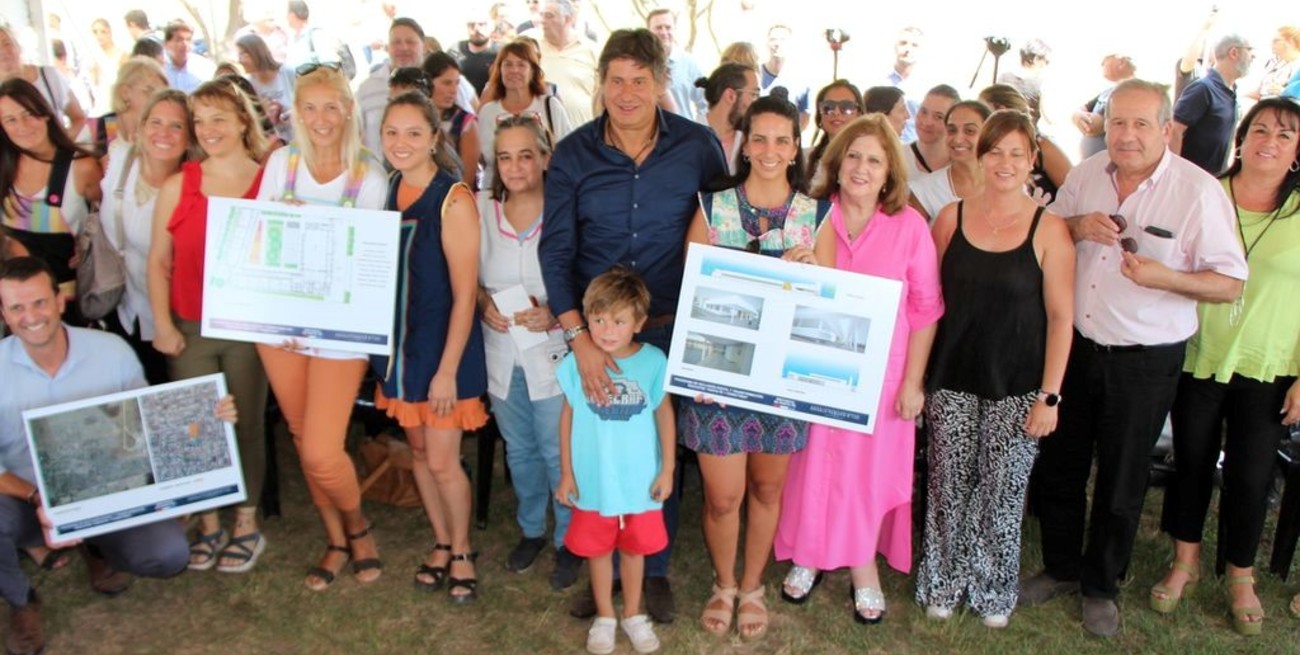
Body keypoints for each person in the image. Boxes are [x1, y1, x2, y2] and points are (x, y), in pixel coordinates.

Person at [1020, 79, 1248, 638]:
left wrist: (1166, 277)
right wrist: (1075, 226)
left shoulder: (1197, 191)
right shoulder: (1085, 175)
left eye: (1141, 124)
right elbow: (1049, 234)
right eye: (1117, 122)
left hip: (1144, 360)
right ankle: (1062, 567)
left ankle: (1101, 585)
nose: (1126, 135)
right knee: (1062, 464)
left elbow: (1229, 283)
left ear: (1166, 129)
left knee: (1122, 479)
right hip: (1075, 347)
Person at [539, 28, 728, 624]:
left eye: (639, 81)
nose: (626, 93)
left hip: (671, 327)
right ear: (600, 83)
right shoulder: (572, 154)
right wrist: (579, 340)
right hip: (596, 334)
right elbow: (555, 251)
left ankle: (654, 567)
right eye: (616, 81)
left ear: (661, 82)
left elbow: (725, 228)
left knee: (653, 448)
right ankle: (603, 563)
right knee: (599, 445)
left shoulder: (698, 147)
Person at [0, 256, 228, 655]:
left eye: (39, 303)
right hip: (29, 500)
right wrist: (37, 499)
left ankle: (97, 546)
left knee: (168, 556)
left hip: (108, 490)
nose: (31, 317)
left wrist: (209, 416)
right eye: (17, 307)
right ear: (3, 314)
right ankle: (20, 600)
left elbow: (150, 422)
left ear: (60, 301)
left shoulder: (111, 351)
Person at [775, 113, 943, 625]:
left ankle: (863, 566)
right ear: (837, 161)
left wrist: (913, 382)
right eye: (853, 156)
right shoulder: (809, 218)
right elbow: (781, 297)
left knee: (865, 476)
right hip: (812, 370)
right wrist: (792, 271)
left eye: (874, 160)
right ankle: (808, 552)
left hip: (882, 379)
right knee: (811, 466)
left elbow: (926, 310)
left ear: (890, 172)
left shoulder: (909, 228)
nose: (861, 168)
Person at [915, 109, 1075, 628]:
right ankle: (942, 582)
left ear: (1032, 160)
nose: (1005, 162)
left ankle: (992, 591)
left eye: (1016, 153)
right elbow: (927, 301)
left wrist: (1050, 395)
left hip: (1019, 387)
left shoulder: (1050, 230)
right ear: (981, 157)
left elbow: (1061, 318)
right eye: (995, 151)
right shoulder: (949, 219)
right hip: (952, 378)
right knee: (947, 487)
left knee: (1002, 494)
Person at [1151, 97, 1300, 636]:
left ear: (1298, 151)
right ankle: (1185, 561)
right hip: (1199, 353)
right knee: (1191, 461)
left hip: (1268, 364)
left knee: (1251, 474)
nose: (1269, 142)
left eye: (1285, 135)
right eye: (1260, 129)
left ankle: (1241, 575)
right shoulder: (1205, 193)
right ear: (1241, 137)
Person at [684, 95, 828, 639]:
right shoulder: (712, 209)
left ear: (795, 149)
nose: (769, 150)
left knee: (767, 490)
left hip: (782, 381)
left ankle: (752, 586)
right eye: (759, 138)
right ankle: (723, 583)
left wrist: (812, 274)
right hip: (719, 376)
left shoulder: (815, 216)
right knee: (723, 496)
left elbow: (829, 310)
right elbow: (691, 289)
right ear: (745, 146)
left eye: (781, 140)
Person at [255, 65, 388, 590]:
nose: (321, 118)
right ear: (295, 113)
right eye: (309, 107)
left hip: (339, 332)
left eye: (331, 106)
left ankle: (358, 526)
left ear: (349, 110)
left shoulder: (368, 176)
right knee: (299, 432)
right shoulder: (280, 163)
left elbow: (366, 266)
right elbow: (261, 243)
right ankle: (335, 538)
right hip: (281, 328)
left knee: (319, 449)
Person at [146, 80, 271, 574]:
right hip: (190, 326)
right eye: (199, 121)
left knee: (246, 423)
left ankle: (246, 521)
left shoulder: (269, 181)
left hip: (247, 326)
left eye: (219, 118)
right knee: (196, 426)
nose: (208, 129)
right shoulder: (181, 183)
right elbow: (159, 261)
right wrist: (162, 323)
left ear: (243, 121)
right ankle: (208, 520)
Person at [371, 90, 487, 602]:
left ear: (434, 137)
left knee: (442, 460)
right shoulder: (388, 187)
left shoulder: (452, 198)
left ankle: (462, 551)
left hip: (444, 351)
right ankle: (440, 541)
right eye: (392, 132)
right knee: (418, 452)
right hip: (401, 350)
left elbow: (465, 296)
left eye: (414, 133)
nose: (402, 142)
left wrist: (447, 371)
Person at [478, 114, 580, 589]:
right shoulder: (482, 212)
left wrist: (557, 312)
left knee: (558, 450)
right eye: (505, 157)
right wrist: (483, 304)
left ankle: (568, 539)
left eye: (525, 155)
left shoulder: (565, 212)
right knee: (519, 449)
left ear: (544, 158)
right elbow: (468, 277)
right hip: (501, 351)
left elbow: (585, 278)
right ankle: (532, 529)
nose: (515, 167)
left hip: (552, 350)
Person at [555, 266, 675, 655]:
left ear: (638, 323)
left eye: (619, 321)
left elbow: (664, 414)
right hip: (594, 480)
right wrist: (567, 473)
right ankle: (605, 615)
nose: (607, 330)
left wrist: (668, 468)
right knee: (598, 549)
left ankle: (633, 613)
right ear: (586, 318)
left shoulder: (653, 361)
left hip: (640, 481)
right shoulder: (576, 363)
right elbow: (568, 416)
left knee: (635, 549)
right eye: (599, 320)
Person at [98, 88, 190, 386]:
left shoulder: (193, 186)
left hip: (169, 318)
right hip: (118, 304)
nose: (163, 133)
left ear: (190, 136)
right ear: (142, 126)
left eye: (176, 126)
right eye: (156, 122)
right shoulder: (119, 158)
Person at [0, 79, 102, 319]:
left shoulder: (81, 167)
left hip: (66, 303)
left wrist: (90, 245)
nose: (22, 126)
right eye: (10, 120)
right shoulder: (4, 168)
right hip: (15, 305)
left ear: (45, 113)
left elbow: (109, 216)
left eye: (29, 114)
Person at [476, 40, 573, 188]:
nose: (514, 70)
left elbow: (568, 151)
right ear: (499, 70)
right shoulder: (488, 112)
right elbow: (484, 158)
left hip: (544, 192)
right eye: (508, 64)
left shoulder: (550, 106)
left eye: (521, 65)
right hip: (496, 193)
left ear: (533, 71)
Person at [1173, 33, 1254, 174]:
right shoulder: (1204, 89)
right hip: (1191, 178)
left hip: (1214, 178)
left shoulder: (1231, 91)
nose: (1252, 57)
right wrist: (1173, 173)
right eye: (1249, 50)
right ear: (1234, 52)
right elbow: (1175, 129)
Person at [979, 84, 1072, 205]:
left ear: (1002, 110)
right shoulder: (986, 150)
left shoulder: (1042, 146)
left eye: (983, 112)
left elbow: (1076, 192)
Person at [908, 100, 991, 222]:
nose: (958, 139)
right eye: (952, 130)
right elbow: (909, 233)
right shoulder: (924, 191)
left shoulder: (1006, 183)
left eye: (969, 131)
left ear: (989, 135)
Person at [0, 24, 87, 138]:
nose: (3, 51)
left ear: (18, 47)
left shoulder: (48, 76)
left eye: (7, 43)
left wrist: (62, 144)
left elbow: (78, 117)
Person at [358, 18, 429, 156]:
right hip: (378, 168)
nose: (403, 48)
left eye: (410, 42)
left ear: (424, 46)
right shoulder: (367, 89)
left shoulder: (443, 82)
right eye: (396, 42)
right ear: (388, 47)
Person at [525, 0, 598, 126]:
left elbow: (603, 95)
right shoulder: (529, 44)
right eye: (542, 15)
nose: (543, 20)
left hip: (581, 131)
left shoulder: (591, 50)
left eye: (549, 16)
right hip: (538, 133)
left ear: (568, 19)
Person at [422, 53, 480, 190]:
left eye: (457, 83)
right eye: (447, 83)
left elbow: (467, 181)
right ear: (428, 83)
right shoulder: (415, 118)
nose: (454, 90)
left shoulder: (465, 123)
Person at [89, 56, 167, 156]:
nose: (157, 99)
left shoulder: (160, 132)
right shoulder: (98, 127)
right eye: (150, 91)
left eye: (162, 94)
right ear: (124, 92)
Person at [696, 63, 760, 175]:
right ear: (730, 96)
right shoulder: (687, 138)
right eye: (754, 95)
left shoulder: (749, 142)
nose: (757, 103)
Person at [1073, 53, 1136, 161]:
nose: (1102, 64)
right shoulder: (1107, 92)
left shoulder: (1133, 93)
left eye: (1106, 60)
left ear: (1121, 62)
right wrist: (1077, 116)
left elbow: (1092, 126)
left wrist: (1079, 118)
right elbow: (1081, 109)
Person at [236, 33, 297, 143]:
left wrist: (290, 114)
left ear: (256, 53)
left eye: (243, 55)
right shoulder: (247, 84)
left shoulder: (288, 73)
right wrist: (263, 113)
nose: (240, 61)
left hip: (299, 138)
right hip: (273, 144)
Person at [647, 9, 705, 122]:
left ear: (675, 30)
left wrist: (699, 129)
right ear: (649, 32)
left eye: (668, 27)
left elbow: (705, 102)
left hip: (683, 131)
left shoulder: (690, 63)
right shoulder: (639, 63)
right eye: (658, 28)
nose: (664, 32)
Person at [806, 81, 863, 188]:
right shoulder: (804, 158)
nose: (836, 112)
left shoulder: (871, 158)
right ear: (820, 115)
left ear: (859, 114)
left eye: (846, 107)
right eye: (828, 107)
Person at [758, 25, 809, 131]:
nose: (777, 44)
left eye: (782, 40)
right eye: (773, 39)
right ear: (767, 43)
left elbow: (804, 115)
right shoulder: (755, 75)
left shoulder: (800, 79)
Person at [905, 85, 960, 179]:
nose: (927, 122)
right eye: (924, 112)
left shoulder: (962, 166)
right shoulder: (896, 157)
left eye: (939, 116)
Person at [883, 26, 926, 143]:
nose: (908, 49)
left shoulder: (927, 87)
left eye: (914, 45)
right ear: (895, 46)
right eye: (903, 43)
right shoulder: (880, 81)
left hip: (915, 149)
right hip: (884, 145)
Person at [997, 38, 1051, 125]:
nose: (1046, 65)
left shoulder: (1004, 78)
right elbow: (1048, 117)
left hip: (1003, 128)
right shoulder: (1040, 84)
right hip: (1027, 130)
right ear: (1036, 59)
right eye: (1046, 62)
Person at [87, 18, 129, 115]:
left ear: (109, 33)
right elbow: (93, 83)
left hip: (115, 106)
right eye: (95, 32)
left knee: (111, 125)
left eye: (103, 32)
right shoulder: (92, 56)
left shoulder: (122, 54)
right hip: (98, 105)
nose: (99, 36)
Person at [161, 20, 216, 94]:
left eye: (188, 39)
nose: (185, 44)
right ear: (166, 44)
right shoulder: (159, 68)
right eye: (179, 40)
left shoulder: (205, 68)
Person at [455, 10, 498, 96]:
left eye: (482, 24)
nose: (477, 29)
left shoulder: (502, 52)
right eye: (472, 25)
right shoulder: (455, 50)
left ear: (492, 26)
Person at [1250, 26, 1300, 100]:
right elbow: (1260, 91)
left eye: (1275, 41)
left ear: (1290, 42)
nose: (1271, 44)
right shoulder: (1275, 65)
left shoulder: (1297, 66)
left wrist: (1284, 92)